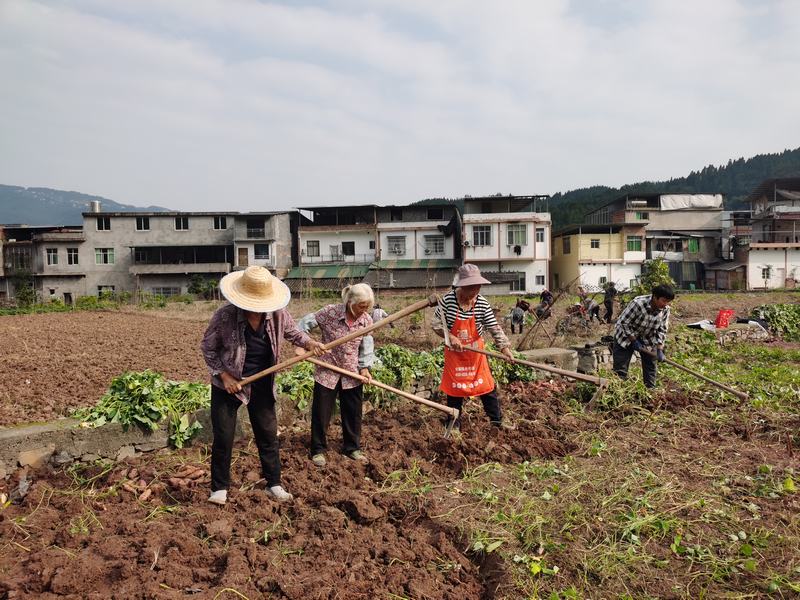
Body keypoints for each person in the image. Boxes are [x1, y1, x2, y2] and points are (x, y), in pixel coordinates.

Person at [201, 266, 325, 506]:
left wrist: (310, 343)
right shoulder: (225, 316)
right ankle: (219, 488)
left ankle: (274, 483)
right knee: (224, 437)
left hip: (262, 383)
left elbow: (294, 334)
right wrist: (224, 376)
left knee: (268, 435)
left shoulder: (278, 314)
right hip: (229, 385)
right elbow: (208, 347)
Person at [298, 283, 375, 467]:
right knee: (321, 413)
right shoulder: (330, 312)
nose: (364, 310)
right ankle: (318, 450)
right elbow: (301, 325)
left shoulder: (366, 321)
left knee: (353, 413)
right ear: (350, 302)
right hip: (327, 369)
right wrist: (304, 344)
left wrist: (365, 368)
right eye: (361, 306)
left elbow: (367, 344)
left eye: (367, 307)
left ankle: (352, 448)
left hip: (351, 372)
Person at [432, 264, 515, 430]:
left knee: (487, 388)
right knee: (455, 391)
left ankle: (497, 422)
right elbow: (436, 324)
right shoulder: (448, 301)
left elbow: (494, 327)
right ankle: (453, 426)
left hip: (476, 356)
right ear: (462, 285)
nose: (475, 292)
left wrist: (505, 348)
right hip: (455, 356)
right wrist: (451, 336)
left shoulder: (482, 303)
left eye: (477, 287)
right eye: (471, 288)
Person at [612, 284, 675, 388]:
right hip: (625, 337)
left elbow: (662, 329)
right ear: (655, 297)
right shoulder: (638, 303)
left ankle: (650, 392)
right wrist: (634, 341)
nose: (666, 304)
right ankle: (618, 391)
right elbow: (623, 323)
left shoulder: (665, 309)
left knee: (650, 367)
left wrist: (659, 349)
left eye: (668, 301)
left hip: (647, 338)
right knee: (620, 370)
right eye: (664, 300)